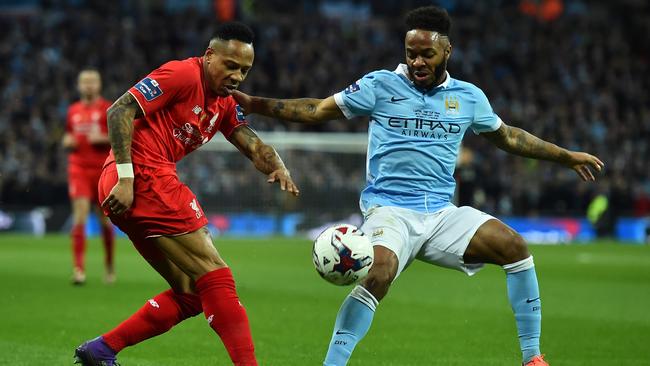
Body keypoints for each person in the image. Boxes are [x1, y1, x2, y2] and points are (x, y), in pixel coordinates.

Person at [232, 6, 604, 366]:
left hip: (442, 214)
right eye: (411, 54)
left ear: (447, 51)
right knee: (378, 273)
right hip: (389, 210)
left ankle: (532, 357)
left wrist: (565, 156)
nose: (418, 62)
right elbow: (316, 109)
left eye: (427, 54)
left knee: (515, 246)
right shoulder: (380, 84)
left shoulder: (468, 97)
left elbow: (509, 138)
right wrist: (256, 104)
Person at [74, 22, 299, 366]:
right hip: (142, 177)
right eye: (231, 65)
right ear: (210, 56)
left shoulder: (222, 102)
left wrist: (277, 166)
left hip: (139, 185)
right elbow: (119, 109)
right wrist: (126, 177)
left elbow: (252, 143)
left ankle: (101, 349)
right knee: (216, 274)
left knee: (192, 293)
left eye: (245, 70)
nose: (237, 76)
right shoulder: (182, 74)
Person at [62, 69, 115, 285]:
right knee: (80, 216)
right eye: (85, 82)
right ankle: (79, 270)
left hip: (102, 170)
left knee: (104, 219)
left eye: (93, 81)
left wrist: (102, 138)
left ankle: (109, 266)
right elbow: (68, 133)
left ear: (99, 84)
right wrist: (67, 140)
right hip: (79, 169)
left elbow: (119, 136)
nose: (89, 85)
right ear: (79, 85)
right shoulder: (73, 110)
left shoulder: (108, 108)